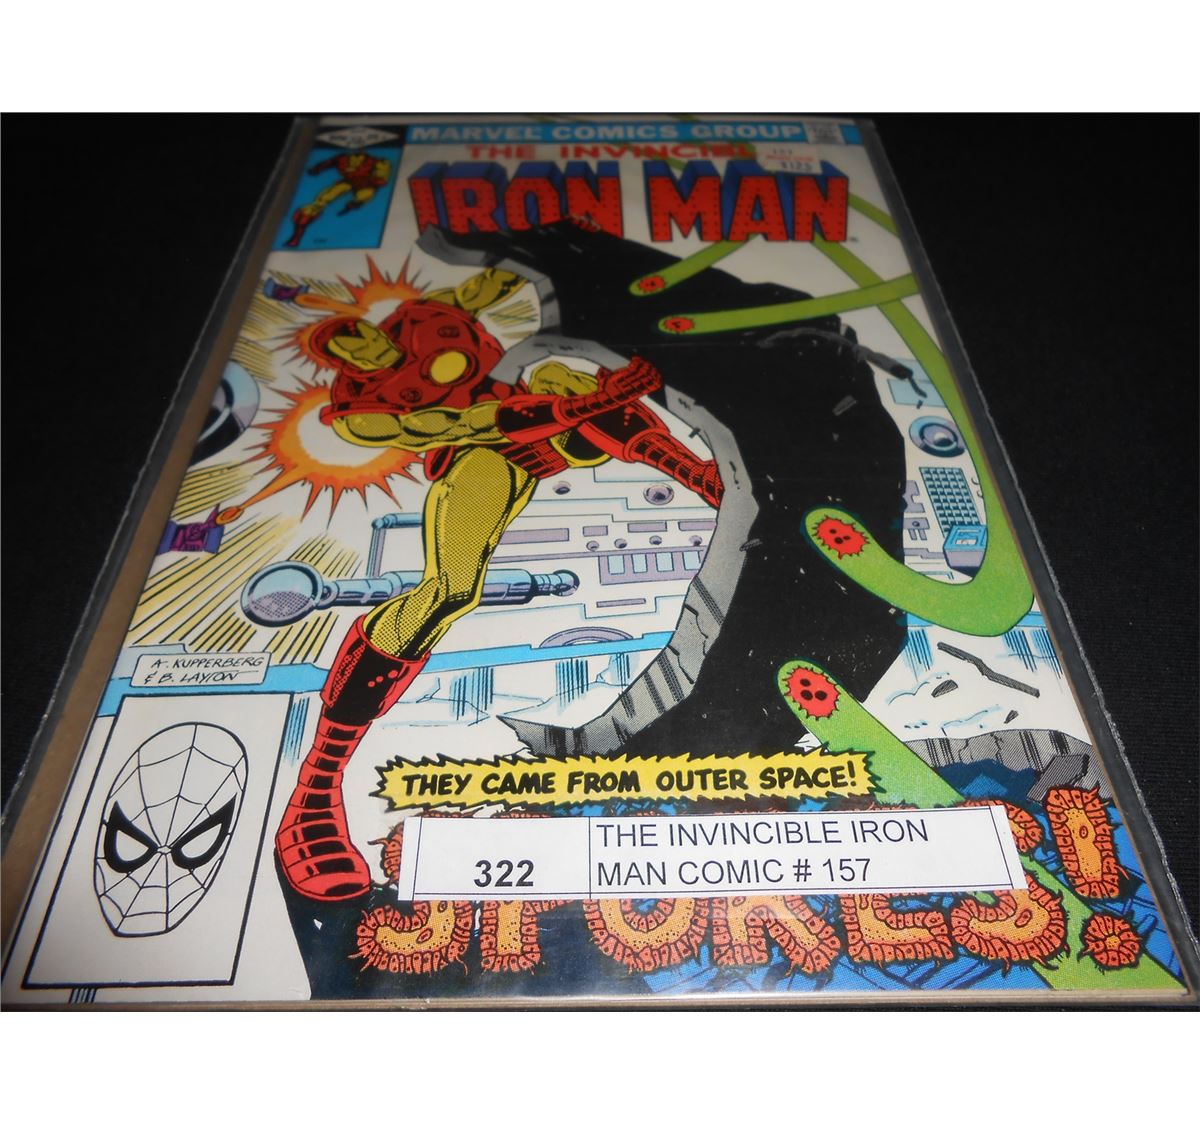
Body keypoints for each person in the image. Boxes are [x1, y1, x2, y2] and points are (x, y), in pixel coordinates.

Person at [276, 267, 723, 899]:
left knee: (557, 372)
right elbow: (459, 426)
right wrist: (585, 406)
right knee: (450, 594)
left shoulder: (427, 318)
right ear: (337, 363)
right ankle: (318, 785)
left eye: (353, 331)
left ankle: (700, 475)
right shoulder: (359, 412)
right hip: (485, 451)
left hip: (554, 422)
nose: (358, 344)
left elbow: (501, 279)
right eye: (341, 347)